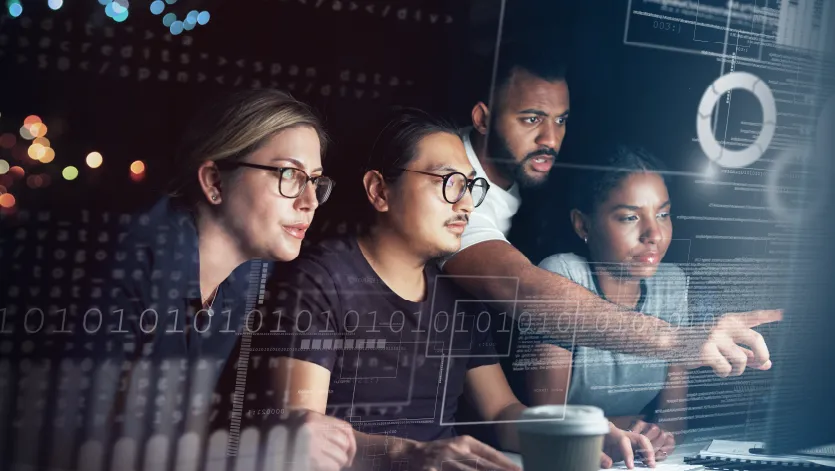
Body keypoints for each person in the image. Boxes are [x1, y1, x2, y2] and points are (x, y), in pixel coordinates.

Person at [250, 109, 659, 471]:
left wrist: (580, 430)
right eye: (448, 182)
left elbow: (501, 411)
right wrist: (407, 456)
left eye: (470, 187)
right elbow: (299, 436)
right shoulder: (319, 280)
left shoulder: (456, 294)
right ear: (379, 190)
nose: (465, 204)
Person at [440, 42, 782, 382]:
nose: (551, 139)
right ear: (483, 119)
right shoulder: (448, 184)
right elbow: (526, 292)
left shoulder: (519, 170)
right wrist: (679, 339)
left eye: (561, 120)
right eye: (532, 119)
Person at [77, 89, 356, 471]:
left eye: (316, 181)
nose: (309, 200)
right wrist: (264, 449)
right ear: (214, 181)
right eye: (289, 174)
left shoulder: (249, 271)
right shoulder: (129, 259)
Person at [519, 146, 686, 462]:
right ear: (583, 225)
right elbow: (550, 417)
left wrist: (659, 436)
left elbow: (674, 421)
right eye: (629, 217)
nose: (654, 233)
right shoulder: (561, 276)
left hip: (632, 459)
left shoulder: (672, 284)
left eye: (663, 214)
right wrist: (632, 429)